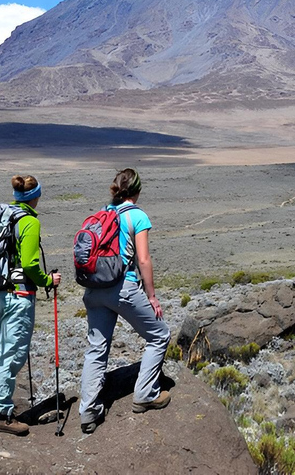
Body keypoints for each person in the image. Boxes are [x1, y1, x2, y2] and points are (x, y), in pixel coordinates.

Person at [79, 168, 171, 434]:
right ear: (137, 191)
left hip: (94, 289)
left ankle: (88, 412)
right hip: (123, 288)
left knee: (96, 349)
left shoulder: (103, 212)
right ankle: (145, 394)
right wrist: (151, 296)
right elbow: (143, 260)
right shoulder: (137, 216)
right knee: (159, 335)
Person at [0, 175, 62, 435]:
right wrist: (47, 280)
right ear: (36, 197)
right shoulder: (28, 222)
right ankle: (0, 414)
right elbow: (30, 264)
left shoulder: (6, 216)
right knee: (13, 354)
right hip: (17, 295)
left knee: (4, 349)